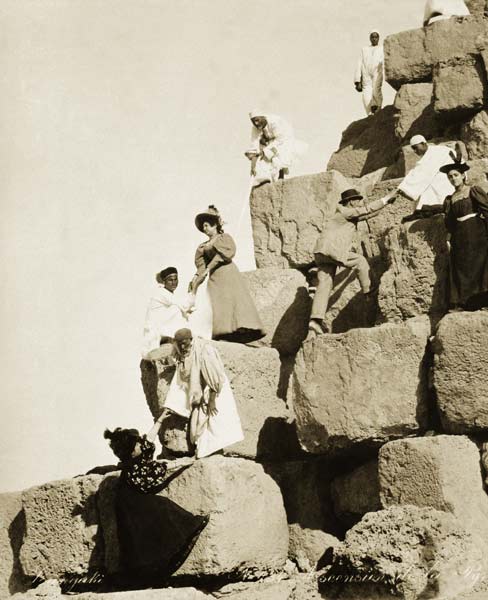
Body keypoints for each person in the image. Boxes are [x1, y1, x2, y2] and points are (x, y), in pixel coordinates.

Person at [104, 419, 208, 586]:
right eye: (137, 445)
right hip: (131, 506)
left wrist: (161, 419)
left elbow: (148, 441)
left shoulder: (136, 456)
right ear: (132, 452)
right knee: (158, 515)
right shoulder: (133, 469)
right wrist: (187, 462)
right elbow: (161, 473)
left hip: (135, 501)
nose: (141, 445)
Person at [308, 188, 395, 335]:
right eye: (357, 200)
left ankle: (315, 321)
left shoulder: (344, 215)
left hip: (321, 252)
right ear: (350, 202)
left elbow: (366, 214)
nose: (360, 203)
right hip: (332, 250)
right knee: (360, 261)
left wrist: (386, 205)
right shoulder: (343, 211)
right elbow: (365, 210)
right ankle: (368, 293)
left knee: (324, 285)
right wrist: (386, 198)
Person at [163, 328, 244, 459]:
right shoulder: (183, 352)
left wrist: (212, 400)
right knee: (198, 427)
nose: (183, 346)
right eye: (180, 344)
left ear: (191, 339)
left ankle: (211, 454)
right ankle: (204, 453)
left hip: (215, 391)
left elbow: (215, 377)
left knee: (215, 424)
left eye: (185, 343)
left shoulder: (204, 350)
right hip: (201, 393)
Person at [189, 205, 265, 343]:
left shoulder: (224, 238)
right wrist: (195, 279)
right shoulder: (203, 246)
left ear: (214, 225)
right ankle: (223, 333)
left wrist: (208, 268)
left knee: (233, 302)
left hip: (228, 273)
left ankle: (241, 331)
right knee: (218, 303)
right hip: (215, 279)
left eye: (207, 225)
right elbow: (201, 266)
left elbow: (225, 254)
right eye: (203, 226)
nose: (205, 228)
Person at [439, 160, 488, 311]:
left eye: (456, 175)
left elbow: (486, 209)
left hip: (476, 232)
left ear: (462, 176)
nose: (453, 179)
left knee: (480, 266)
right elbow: (450, 223)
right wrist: (448, 238)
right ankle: (463, 303)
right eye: (450, 177)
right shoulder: (450, 199)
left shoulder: (473, 190)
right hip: (459, 236)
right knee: (461, 268)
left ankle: (484, 302)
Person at [390, 135, 455, 221]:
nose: (415, 151)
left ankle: (432, 208)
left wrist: (401, 189)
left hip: (448, 180)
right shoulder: (431, 154)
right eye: (413, 149)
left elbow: (420, 173)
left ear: (423, 144)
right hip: (447, 179)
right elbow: (417, 171)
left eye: (415, 147)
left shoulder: (435, 152)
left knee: (428, 184)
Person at [141, 267, 195, 360]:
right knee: (177, 309)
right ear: (164, 282)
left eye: (175, 279)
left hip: (163, 333)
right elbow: (186, 305)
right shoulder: (161, 293)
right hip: (155, 337)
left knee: (181, 310)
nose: (173, 282)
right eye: (170, 280)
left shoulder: (169, 295)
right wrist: (193, 290)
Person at [244, 110, 305, 187]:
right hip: (271, 140)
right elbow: (254, 147)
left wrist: (266, 151)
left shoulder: (274, 121)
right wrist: (253, 167)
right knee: (263, 157)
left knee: (278, 157)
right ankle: (265, 180)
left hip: (284, 139)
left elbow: (280, 139)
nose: (256, 123)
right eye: (253, 122)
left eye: (257, 120)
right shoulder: (255, 128)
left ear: (263, 117)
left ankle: (281, 178)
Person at [354, 30, 384, 116]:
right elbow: (359, 63)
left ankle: (377, 110)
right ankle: (369, 114)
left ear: (378, 38)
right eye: (372, 37)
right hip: (366, 74)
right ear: (370, 38)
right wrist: (357, 80)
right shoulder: (364, 49)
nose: (374, 39)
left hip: (377, 72)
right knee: (366, 94)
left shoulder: (382, 48)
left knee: (376, 91)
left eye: (376, 37)